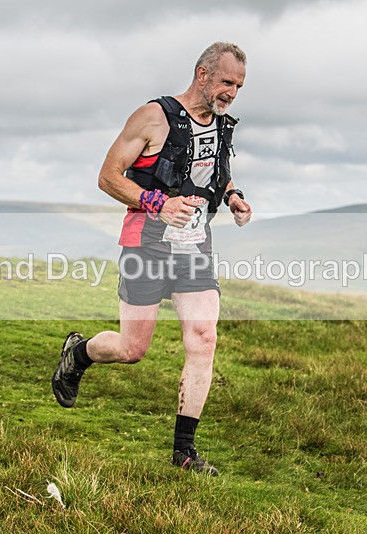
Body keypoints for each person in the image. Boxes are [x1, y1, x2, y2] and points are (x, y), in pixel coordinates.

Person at [52, 42, 252, 476]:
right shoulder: (153, 117)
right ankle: (79, 354)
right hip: (146, 242)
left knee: (203, 338)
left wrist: (233, 196)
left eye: (238, 86)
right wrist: (156, 202)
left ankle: (184, 452)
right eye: (226, 82)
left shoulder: (220, 124)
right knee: (131, 348)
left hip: (194, 245)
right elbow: (108, 176)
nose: (232, 93)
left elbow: (213, 167)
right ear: (202, 74)